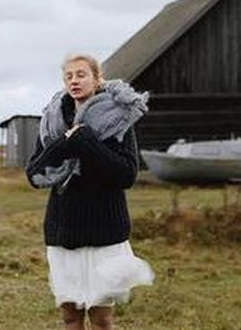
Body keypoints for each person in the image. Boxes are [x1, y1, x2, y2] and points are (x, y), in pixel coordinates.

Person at [26, 54, 154, 330]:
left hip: (104, 230)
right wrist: (64, 143)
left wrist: (86, 141)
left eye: (81, 74)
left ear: (97, 79)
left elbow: (126, 174)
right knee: (70, 318)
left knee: (101, 319)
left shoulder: (119, 119)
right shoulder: (52, 120)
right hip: (63, 229)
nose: (74, 80)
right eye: (69, 76)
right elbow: (34, 173)